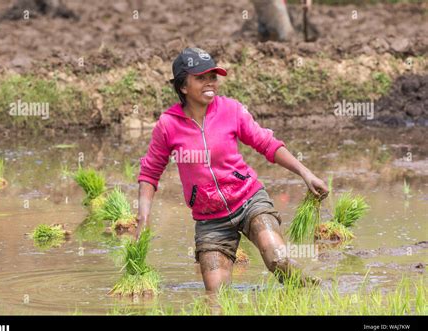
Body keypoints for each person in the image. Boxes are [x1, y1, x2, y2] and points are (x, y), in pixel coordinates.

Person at [136, 47, 328, 293]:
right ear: (183, 86)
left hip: (248, 200)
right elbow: (150, 173)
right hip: (210, 220)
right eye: (201, 78)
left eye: (213, 77)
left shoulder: (231, 110)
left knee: (278, 258)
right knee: (216, 296)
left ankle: (314, 294)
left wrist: (306, 173)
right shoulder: (168, 125)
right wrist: (144, 218)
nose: (210, 84)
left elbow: (267, 144)